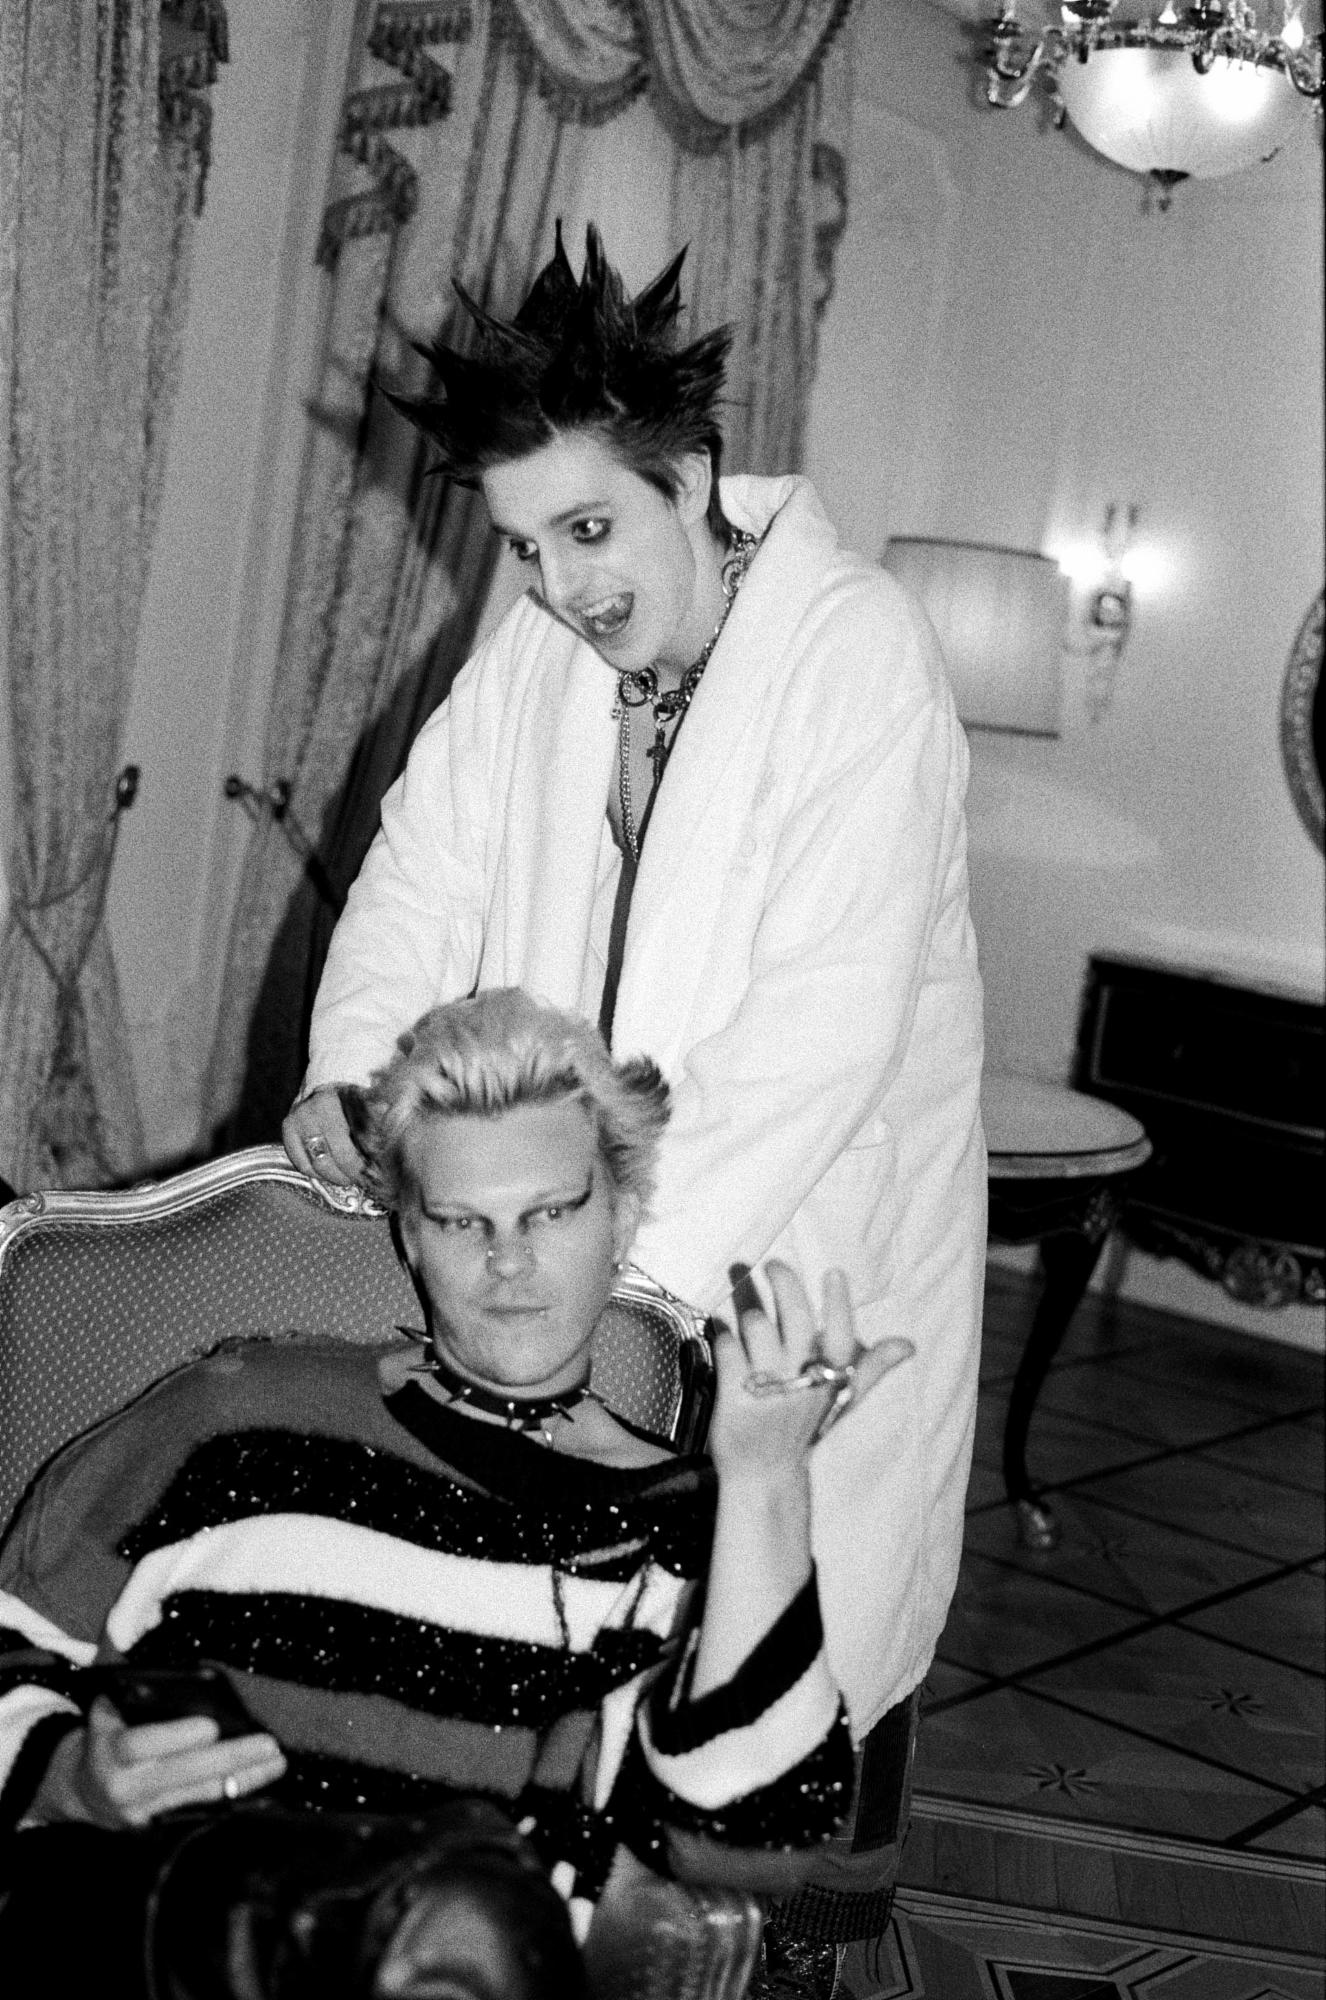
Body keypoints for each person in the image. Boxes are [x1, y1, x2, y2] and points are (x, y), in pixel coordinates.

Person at [282, 224, 986, 1977]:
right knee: (560, 1687)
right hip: (565, 1239)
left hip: (777, 1249)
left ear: (687, 480)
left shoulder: (855, 651)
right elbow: (421, 870)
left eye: (587, 531)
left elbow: (823, 1027)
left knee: (773, 1688)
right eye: (524, 545)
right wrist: (357, 1078)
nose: (558, 584)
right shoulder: (537, 644)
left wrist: (612, 1251)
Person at [0, 989, 912, 1998]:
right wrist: (70, 1774)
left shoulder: (688, 1524)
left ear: (622, 1219)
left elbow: (751, 1849)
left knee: (471, 1924)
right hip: (156, 1934)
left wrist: (768, 1484)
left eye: (551, 1212)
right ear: (408, 1234)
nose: (508, 1261)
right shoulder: (236, 1415)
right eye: (460, 1220)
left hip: (468, 1963)